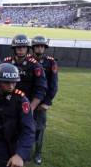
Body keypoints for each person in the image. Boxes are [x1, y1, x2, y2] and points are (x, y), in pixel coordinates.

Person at [31, 35, 59, 165]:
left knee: (39, 128)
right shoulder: (27, 60)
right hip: (27, 100)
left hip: (41, 102)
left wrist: (47, 102)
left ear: (45, 48)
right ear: (33, 47)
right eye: (37, 46)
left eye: (42, 46)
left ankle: (37, 153)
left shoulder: (51, 62)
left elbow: (53, 85)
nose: (40, 48)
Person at [3, 34, 47, 111]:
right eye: (18, 47)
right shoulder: (6, 63)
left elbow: (40, 88)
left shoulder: (35, 66)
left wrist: (31, 108)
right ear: (14, 48)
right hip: (7, 103)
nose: (21, 50)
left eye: (24, 47)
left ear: (28, 49)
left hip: (28, 103)